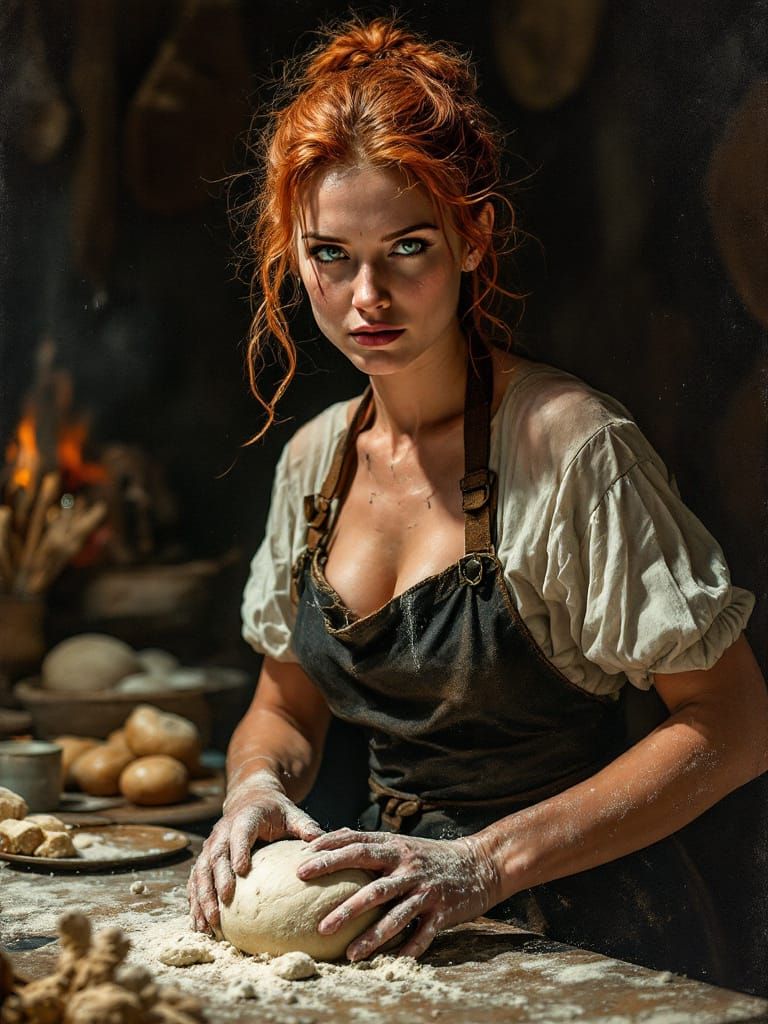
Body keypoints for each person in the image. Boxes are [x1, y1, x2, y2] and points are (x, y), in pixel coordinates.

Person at [188, 16, 768, 985]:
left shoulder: (574, 447)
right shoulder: (316, 464)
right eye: (331, 254)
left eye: (407, 247)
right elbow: (284, 706)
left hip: (590, 935)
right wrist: (252, 784)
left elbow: (734, 722)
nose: (367, 296)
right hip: (393, 929)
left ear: (473, 236)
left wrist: (483, 863)